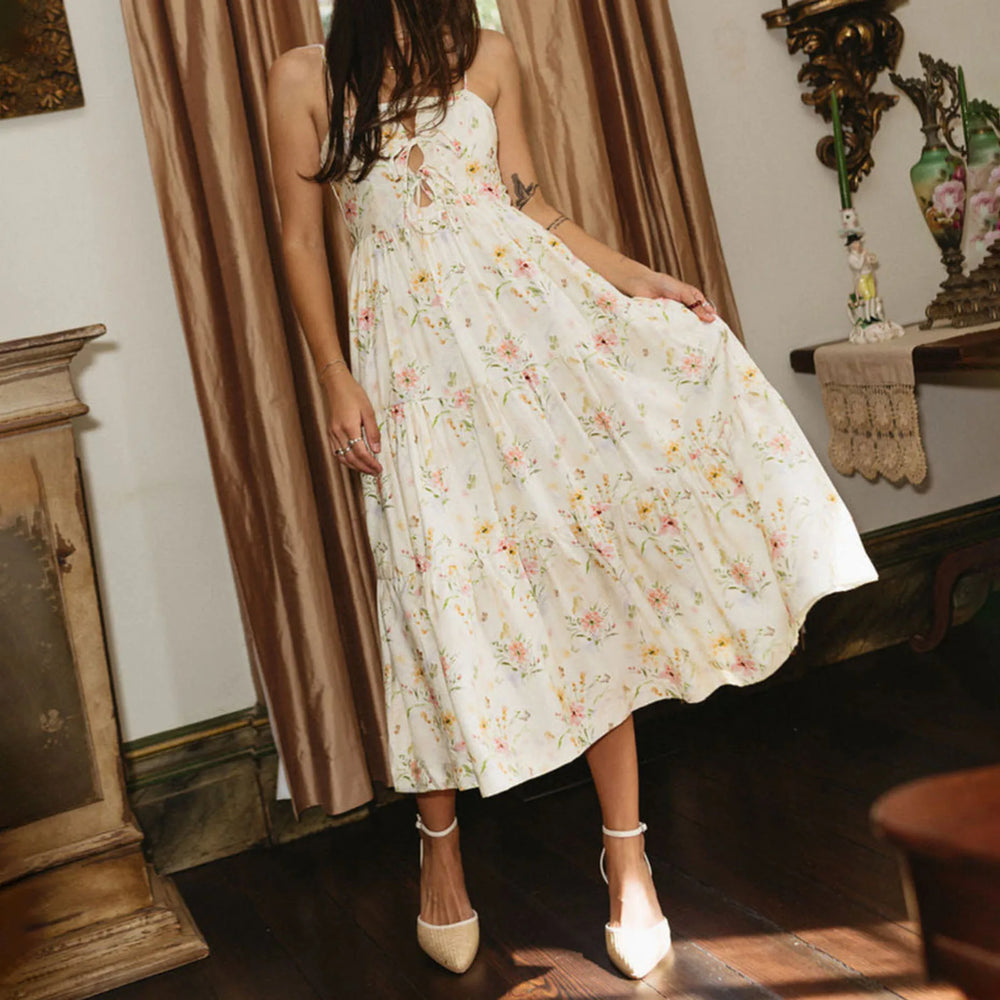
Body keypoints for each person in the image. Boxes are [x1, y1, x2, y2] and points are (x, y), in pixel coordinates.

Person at [265, 0, 878, 980]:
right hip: (413, 371)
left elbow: (531, 208)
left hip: (529, 343)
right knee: (430, 594)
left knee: (582, 575)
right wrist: (336, 378)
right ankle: (439, 847)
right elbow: (300, 241)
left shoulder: (491, 55)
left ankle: (628, 860)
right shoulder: (305, 77)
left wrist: (641, 280)